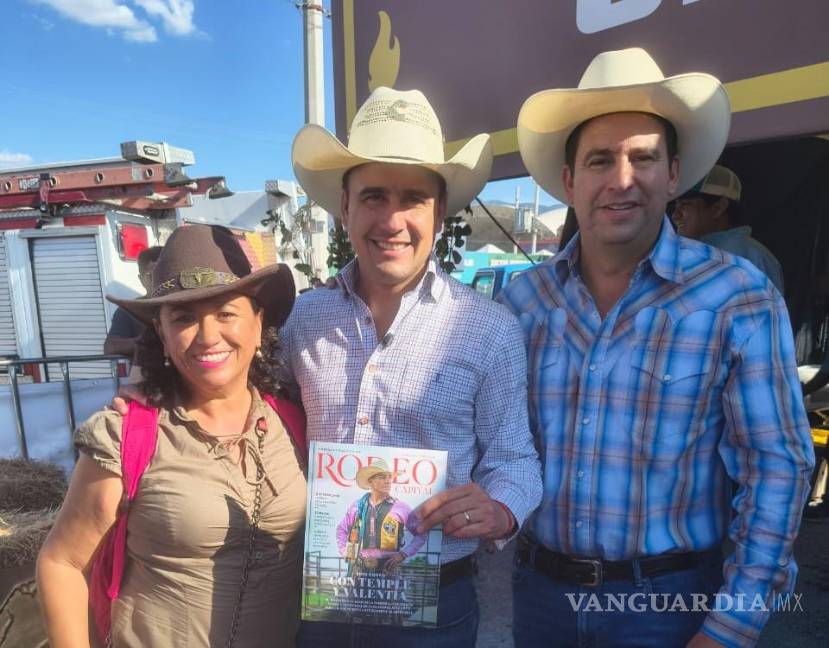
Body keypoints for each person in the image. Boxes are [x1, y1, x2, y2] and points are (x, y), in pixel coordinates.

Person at [500, 48, 814, 648]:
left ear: (674, 175)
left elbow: (776, 469)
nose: (622, 178)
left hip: (670, 608)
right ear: (570, 181)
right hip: (541, 599)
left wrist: (731, 626)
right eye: (600, 160)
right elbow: (499, 445)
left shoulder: (737, 296)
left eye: (643, 157)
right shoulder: (523, 303)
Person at [287, 86, 543, 646]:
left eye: (414, 198)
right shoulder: (301, 322)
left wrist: (500, 507)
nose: (393, 219)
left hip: (436, 603)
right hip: (319, 596)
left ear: (440, 211)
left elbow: (513, 458)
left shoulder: (489, 329)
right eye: (374, 196)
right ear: (345, 206)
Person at [37, 225, 306, 648]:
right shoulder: (125, 435)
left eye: (225, 312)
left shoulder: (295, 424)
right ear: (161, 335)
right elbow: (63, 562)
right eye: (183, 318)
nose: (207, 336)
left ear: (259, 324)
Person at [672, 164, 785, 293]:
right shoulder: (682, 255)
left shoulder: (752, 259)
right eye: (676, 205)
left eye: (686, 205)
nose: (675, 215)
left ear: (719, 207)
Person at [336, 460, 426, 577]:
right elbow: (341, 530)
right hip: (358, 568)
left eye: (389, 477)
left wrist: (403, 554)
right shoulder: (357, 506)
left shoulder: (400, 507)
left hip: (388, 567)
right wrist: (346, 551)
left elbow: (421, 532)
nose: (388, 481)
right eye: (382, 477)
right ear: (371, 482)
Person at [104, 246, 163, 357]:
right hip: (146, 372)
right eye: (152, 275)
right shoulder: (129, 310)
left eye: (164, 274)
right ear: (141, 280)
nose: (159, 280)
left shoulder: (183, 304)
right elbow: (110, 346)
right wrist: (148, 341)